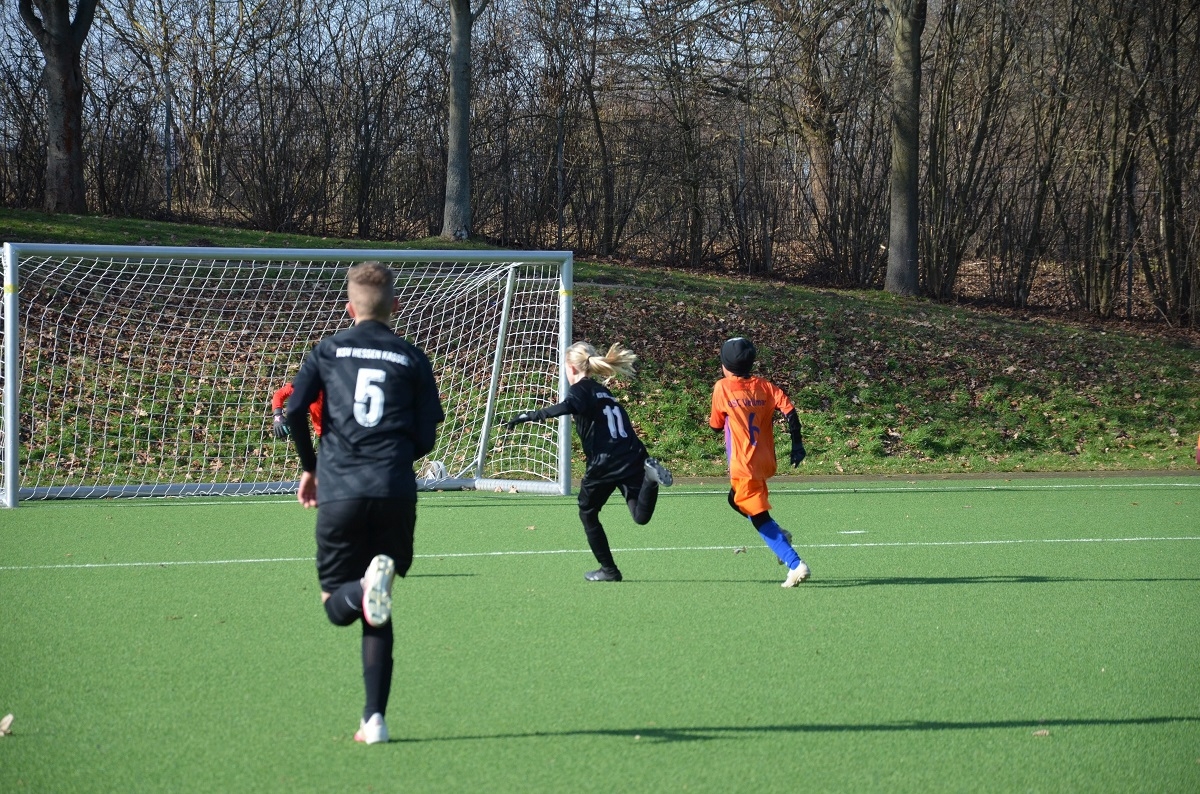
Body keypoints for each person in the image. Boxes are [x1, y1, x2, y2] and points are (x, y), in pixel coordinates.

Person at [287, 261, 444, 744]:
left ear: (349, 307)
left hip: (341, 491)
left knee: (340, 603)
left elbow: (294, 410)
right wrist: (392, 457)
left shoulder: (327, 349)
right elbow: (426, 437)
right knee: (380, 605)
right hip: (394, 491)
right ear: (395, 305)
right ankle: (374, 719)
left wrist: (311, 467)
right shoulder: (413, 358)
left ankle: (359, 590)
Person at [505, 342, 673, 582]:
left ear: (572, 368)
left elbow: (568, 406)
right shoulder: (603, 391)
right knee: (640, 516)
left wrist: (531, 415)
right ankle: (650, 478)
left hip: (605, 462)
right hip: (633, 455)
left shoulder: (580, 390)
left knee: (587, 512)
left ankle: (609, 571)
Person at [709, 337, 811, 587]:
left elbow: (715, 425)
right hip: (765, 460)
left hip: (744, 464)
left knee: (758, 515)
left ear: (725, 365)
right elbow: (790, 411)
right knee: (734, 500)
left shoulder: (722, 388)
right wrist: (797, 444)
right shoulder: (765, 386)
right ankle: (779, 534)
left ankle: (794, 563)